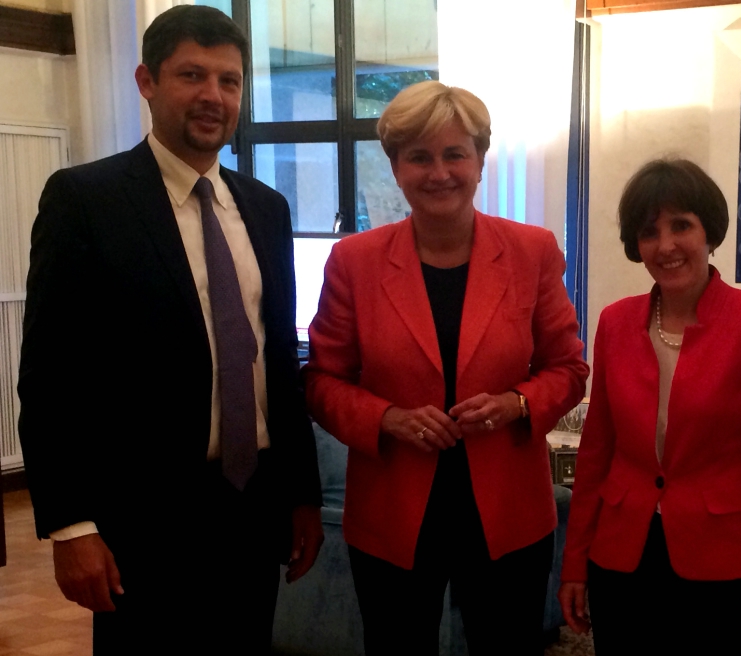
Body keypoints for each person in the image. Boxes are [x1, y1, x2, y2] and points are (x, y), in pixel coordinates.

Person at [17, 6, 322, 654]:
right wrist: (71, 525)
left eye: (229, 80)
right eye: (192, 74)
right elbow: (50, 378)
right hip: (142, 519)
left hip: (253, 505)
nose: (214, 95)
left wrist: (302, 496)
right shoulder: (85, 201)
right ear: (147, 81)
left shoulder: (266, 209)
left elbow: (277, 367)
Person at [303, 80, 589, 655]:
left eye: (455, 154)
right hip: (393, 511)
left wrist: (517, 404)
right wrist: (387, 418)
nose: (439, 173)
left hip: (507, 510)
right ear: (396, 167)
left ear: (480, 161)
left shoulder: (532, 251)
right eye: (419, 157)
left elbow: (568, 368)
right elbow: (322, 381)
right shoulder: (354, 261)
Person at [558, 159, 741, 656]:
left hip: (720, 558)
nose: (665, 245)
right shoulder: (615, 322)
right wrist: (575, 563)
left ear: (709, 231)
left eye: (681, 225)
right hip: (621, 554)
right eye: (649, 232)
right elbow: (596, 454)